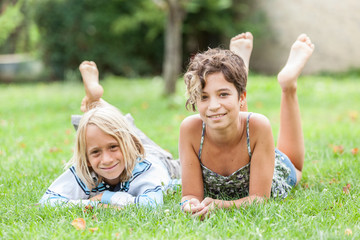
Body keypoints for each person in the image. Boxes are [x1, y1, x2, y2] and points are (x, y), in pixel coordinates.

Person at [179, 33, 314, 218]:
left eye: (223, 94)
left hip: (267, 169)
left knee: (295, 169)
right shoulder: (190, 129)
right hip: (242, 134)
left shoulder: (259, 125)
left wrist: (220, 205)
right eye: (203, 97)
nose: (213, 106)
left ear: (243, 97)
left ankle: (288, 85)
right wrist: (190, 204)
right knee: (232, 115)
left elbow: (259, 199)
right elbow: (190, 195)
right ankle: (238, 70)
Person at [39, 61, 180, 208]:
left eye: (112, 147)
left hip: (157, 159)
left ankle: (96, 102)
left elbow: (151, 204)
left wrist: (105, 196)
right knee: (105, 129)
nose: (106, 159)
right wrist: (92, 204)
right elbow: (48, 201)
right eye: (95, 152)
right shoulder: (87, 171)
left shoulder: (145, 169)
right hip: (126, 145)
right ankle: (95, 103)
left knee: (127, 132)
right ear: (86, 159)